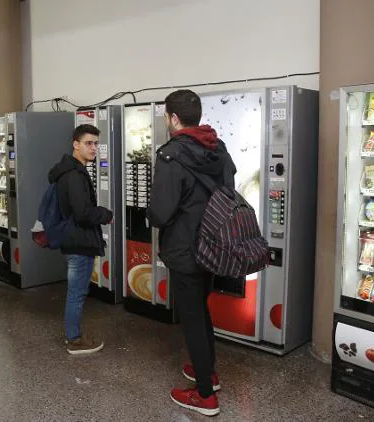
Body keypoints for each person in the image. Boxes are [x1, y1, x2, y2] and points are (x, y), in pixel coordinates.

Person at [148, 90, 236, 417]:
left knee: (192, 317)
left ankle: (204, 395)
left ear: (173, 118)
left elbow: (160, 212)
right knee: (201, 308)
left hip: (185, 250)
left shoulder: (171, 155)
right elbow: (228, 191)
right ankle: (208, 373)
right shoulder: (218, 148)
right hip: (216, 245)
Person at [48, 124, 113, 355]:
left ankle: (73, 335)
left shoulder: (67, 171)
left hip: (71, 238)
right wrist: (106, 214)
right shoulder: (74, 175)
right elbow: (83, 213)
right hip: (79, 241)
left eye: (96, 143)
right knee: (77, 293)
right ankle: (74, 339)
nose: (94, 148)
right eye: (88, 143)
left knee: (76, 291)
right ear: (76, 145)